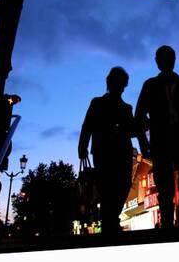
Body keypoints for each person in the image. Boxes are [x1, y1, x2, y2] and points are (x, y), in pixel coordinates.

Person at [135, 45, 179, 228]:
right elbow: (139, 116)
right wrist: (144, 144)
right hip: (163, 142)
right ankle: (168, 226)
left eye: (169, 58)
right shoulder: (151, 85)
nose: (167, 61)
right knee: (166, 188)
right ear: (159, 62)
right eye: (164, 58)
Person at [78, 67, 140, 234]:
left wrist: (139, 125)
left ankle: (111, 219)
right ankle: (110, 221)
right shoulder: (97, 102)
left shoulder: (126, 108)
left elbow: (131, 130)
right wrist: (82, 146)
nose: (119, 86)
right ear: (110, 83)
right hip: (104, 151)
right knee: (107, 187)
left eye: (121, 83)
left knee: (122, 185)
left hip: (119, 151)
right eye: (116, 82)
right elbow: (87, 125)